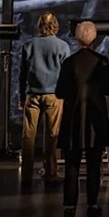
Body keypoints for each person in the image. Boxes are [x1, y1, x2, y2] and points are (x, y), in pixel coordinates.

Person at [55, 21, 109, 217]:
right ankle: (92, 203)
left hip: (73, 119)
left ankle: (69, 205)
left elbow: (59, 92)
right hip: (95, 120)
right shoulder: (102, 62)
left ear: (76, 38)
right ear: (94, 39)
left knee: (71, 165)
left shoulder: (69, 63)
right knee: (94, 164)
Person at [19, 12, 71, 190]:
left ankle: (26, 174)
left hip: (32, 95)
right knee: (52, 136)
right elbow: (66, 76)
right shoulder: (63, 46)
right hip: (54, 96)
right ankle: (51, 172)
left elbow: (22, 75)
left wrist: (22, 96)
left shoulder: (28, 45)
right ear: (55, 25)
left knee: (28, 136)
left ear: (39, 25)